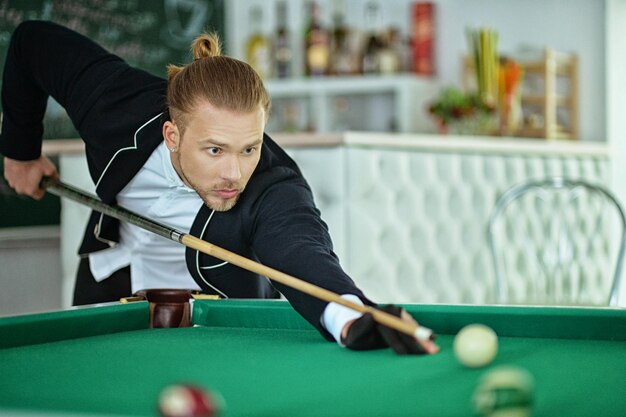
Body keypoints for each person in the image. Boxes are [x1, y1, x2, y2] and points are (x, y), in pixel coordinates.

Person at [0, 21, 438, 355]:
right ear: (172, 136)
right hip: (112, 288)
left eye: (248, 148)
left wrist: (350, 315)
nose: (234, 173)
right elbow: (30, 43)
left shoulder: (273, 185)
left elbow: (302, 251)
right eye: (214, 150)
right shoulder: (115, 103)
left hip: (218, 324)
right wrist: (20, 151)